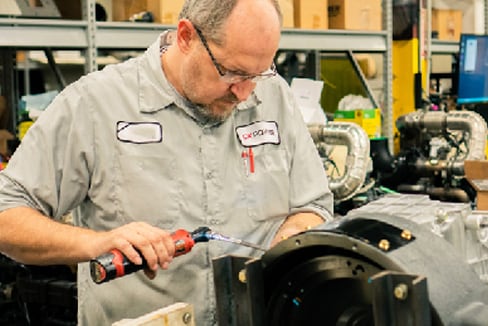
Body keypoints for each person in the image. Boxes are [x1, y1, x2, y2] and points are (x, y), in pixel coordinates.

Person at [0, 0, 333, 324]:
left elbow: (314, 203)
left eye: (259, 73)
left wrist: (291, 238)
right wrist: (96, 242)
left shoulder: (274, 95)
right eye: (232, 73)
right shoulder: (95, 104)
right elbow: (6, 215)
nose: (245, 93)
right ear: (186, 36)